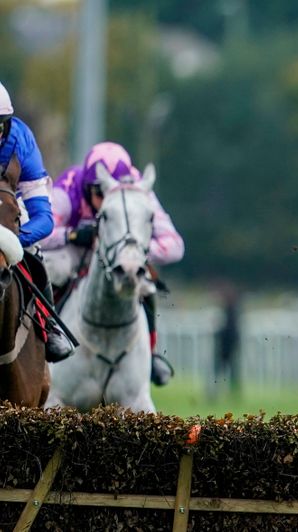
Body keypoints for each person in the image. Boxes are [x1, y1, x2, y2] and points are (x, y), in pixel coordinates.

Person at [42, 142, 184, 385]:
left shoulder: (139, 189)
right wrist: (72, 235)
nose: (106, 199)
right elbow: (39, 234)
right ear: (87, 188)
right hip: (76, 250)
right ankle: (46, 338)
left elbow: (175, 246)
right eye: (100, 193)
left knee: (147, 285)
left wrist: (132, 251)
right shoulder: (67, 190)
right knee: (56, 268)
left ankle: (151, 354)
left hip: (117, 254)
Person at [0, 81, 75, 362]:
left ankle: (49, 327)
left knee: (35, 254)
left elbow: (44, 219)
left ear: (6, 125)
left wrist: (11, 241)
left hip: (10, 204)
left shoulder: (21, 142)